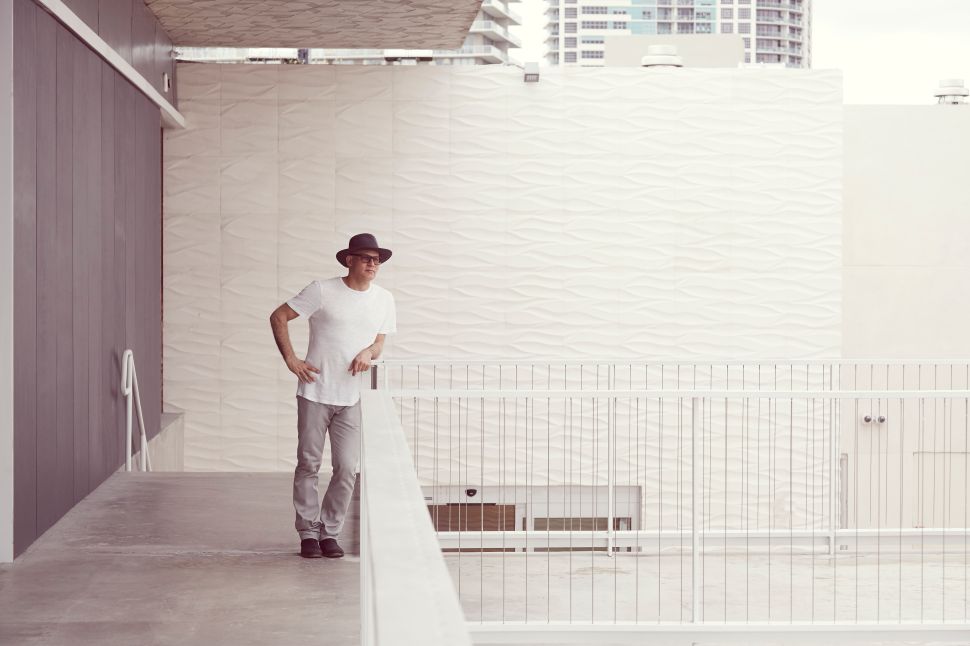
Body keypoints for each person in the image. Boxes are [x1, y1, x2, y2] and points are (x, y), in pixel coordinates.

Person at [269, 233, 396, 558]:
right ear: (349, 260)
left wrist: (370, 351)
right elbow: (279, 316)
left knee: (345, 467)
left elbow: (380, 343)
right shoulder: (322, 290)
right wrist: (291, 359)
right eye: (366, 258)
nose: (372, 264)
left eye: (377, 260)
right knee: (308, 463)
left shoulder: (384, 299)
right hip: (315, 393)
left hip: (353, 397)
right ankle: (308, 534)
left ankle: (330, 533)